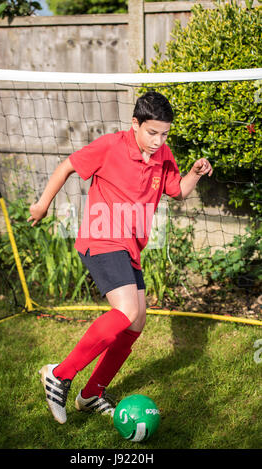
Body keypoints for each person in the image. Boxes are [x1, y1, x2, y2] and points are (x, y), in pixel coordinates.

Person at [27, 91, 213, 425]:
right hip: (101, 237)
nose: (158, 140)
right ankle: (60, 374)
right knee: (126, 311)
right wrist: (43, 204)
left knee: (137, 321)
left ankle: (91, 394)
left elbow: (178, 191)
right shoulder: (111, 145)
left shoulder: (163, 154)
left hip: (129, 246)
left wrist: (196, 172)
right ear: (135, 124)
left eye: (164, 134)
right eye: (152, 132)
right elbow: (68, 165)